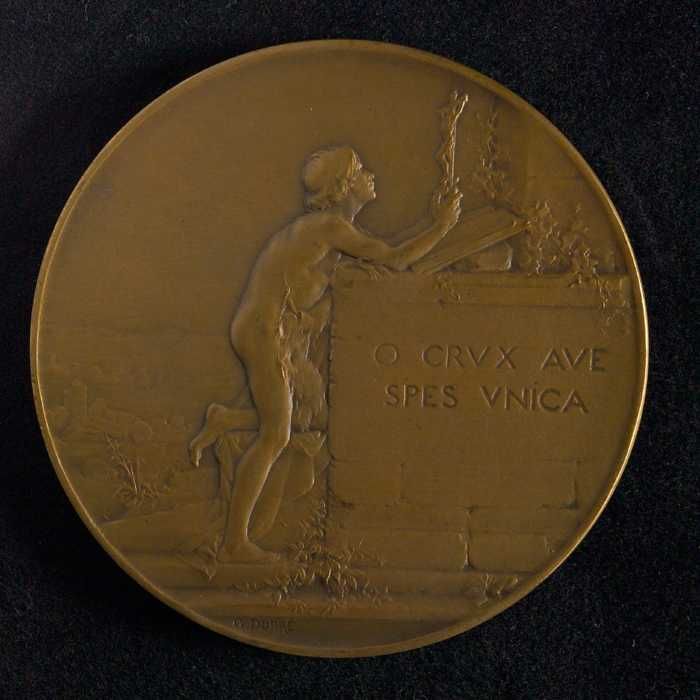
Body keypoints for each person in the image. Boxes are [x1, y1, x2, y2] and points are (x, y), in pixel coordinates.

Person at [189, 146, 462, 563]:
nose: (371, 176)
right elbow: (396, 259)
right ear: (343, 186)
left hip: (271, 331)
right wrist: (442, 226)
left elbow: (341, 288)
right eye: (361, 171)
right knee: (276, 436)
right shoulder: (330, 227)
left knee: (300, 419)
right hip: (264, 332)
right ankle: (235, 543)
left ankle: (224, 419)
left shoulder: (327, 236)